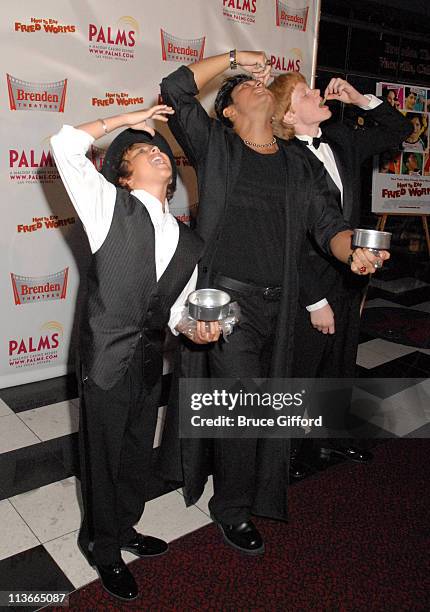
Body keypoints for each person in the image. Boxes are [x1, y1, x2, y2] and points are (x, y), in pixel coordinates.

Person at [158, 50, 389, 556]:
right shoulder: (217, 145)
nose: (256, 85)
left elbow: (328, 227)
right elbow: (175, 87)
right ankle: (233, 509)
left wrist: (355, 254)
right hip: (227, 305)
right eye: (242, 87)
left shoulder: (299, 164)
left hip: (282, 305)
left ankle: (250, 490)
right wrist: (236, 59)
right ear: (230, 113)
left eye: (257, 83)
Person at [50, 106, 220, 601]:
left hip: (148, 360)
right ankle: (102, 548)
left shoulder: (189, 241)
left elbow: (176, 314)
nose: (157, 153)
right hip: (104, 358)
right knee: (102, 458)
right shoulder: (107, 205)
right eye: (144, 151)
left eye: (161, 150)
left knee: (133, 454)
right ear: (124, 175)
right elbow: (64, 145)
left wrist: (198, 330)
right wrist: (130, 118)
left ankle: (124, 528)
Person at [268, 73, 411, 475]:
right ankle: (288, 452)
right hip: (306, 282)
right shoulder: (279, 157)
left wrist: (359, 98)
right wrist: (314, 299)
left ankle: (330, 440)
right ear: (290, 113)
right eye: (305, 93)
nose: (318, 93)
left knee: (340, 359)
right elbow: (287, 239)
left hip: (350, 274)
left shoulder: (341, 139)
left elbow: (399, 129)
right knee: (302, 367)